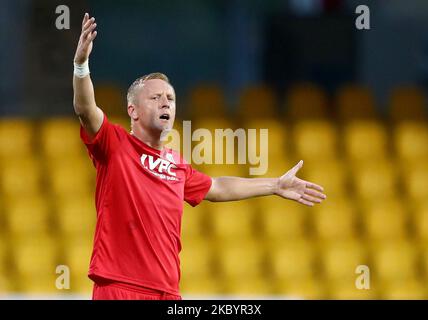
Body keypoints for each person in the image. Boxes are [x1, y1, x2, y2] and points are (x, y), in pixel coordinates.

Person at [73, 13, 327, 300]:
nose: (165, 102)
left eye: (170, 98)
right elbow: (85, 109)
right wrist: (81, 65)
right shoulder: (115, 144)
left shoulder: (177, 164)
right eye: (155, 98)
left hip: (167, 293)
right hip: (119, 288)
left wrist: (275, 185)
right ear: (133, 111)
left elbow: (217, 187)